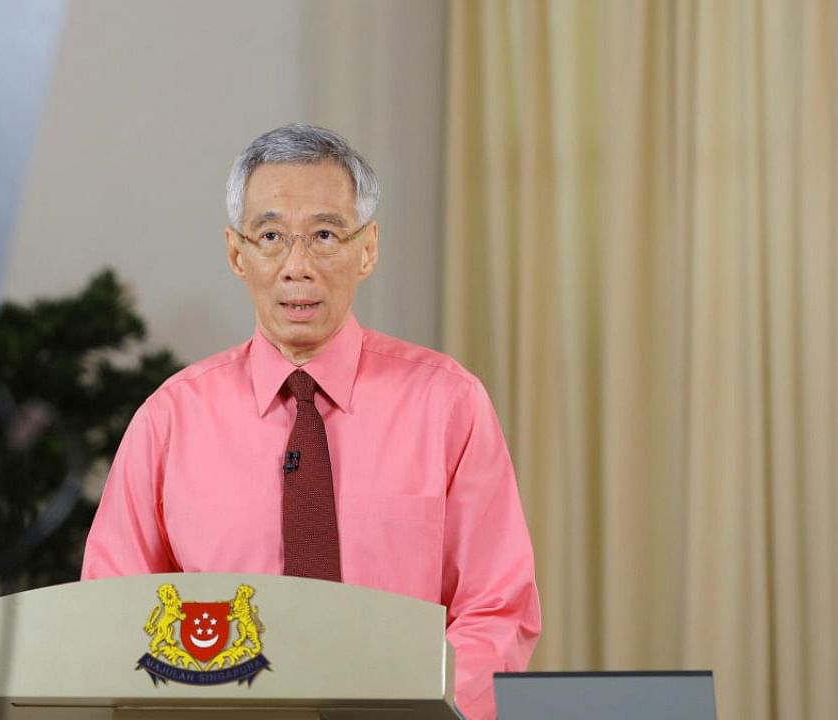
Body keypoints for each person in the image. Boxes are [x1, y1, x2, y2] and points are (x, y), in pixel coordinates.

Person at [81, 123, 540, 720]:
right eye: (271, 235)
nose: (297, 265)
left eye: (325, 234)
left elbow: (497, 610)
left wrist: (421, 706)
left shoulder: (449, 405)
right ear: (236, 253)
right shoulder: (170, 420)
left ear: (367, 248)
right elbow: (112, 612)